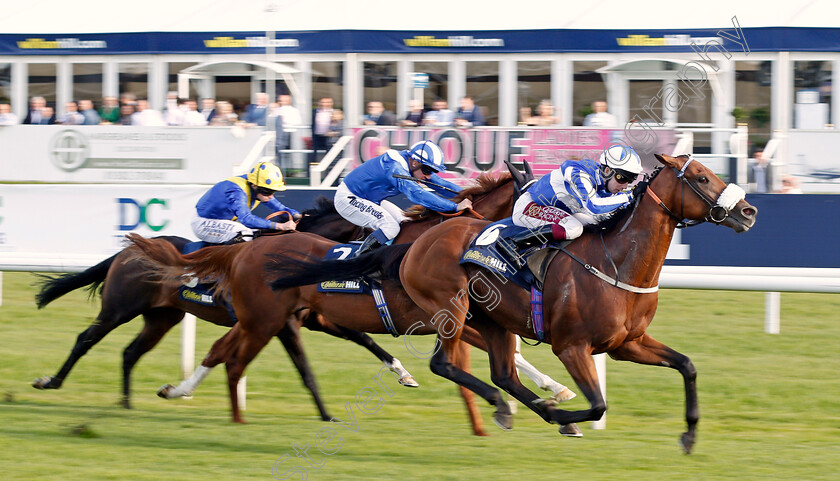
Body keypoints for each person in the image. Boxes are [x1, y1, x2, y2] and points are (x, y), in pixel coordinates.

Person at [335, 140, 472, 256]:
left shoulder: (414, 163)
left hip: (368, 199)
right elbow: (418, 194)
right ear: (414, 163)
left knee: (406, 223)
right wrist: (454, 207)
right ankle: (359, 264)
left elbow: (441, 185)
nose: (429, 176)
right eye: (427, 170)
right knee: (390, 228)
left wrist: (471, 195)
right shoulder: (395, 168)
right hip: (348, 198)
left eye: (432, 171)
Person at [509, 144, 642, 246]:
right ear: (607, 171)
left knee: (595, 225)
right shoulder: (579, 173)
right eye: (622, 179)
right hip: (530, 207)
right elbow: (594, 206)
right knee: (574, 228)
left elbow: (613, 210)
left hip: (555, 210)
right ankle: (515, 245)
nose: (625, 186)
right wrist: (630, 195)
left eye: (630, 181)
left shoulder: (605, 183)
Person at [192, 162, 299, 245]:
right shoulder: (236, 191)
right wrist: (279, 226)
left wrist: (297, 215)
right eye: (268, 192)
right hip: (204, 222)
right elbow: (246, 219)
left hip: (226, 221)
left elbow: (279, 207)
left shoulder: (257, 186)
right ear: (254, 186)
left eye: (273, 192)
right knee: (246, 233)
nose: (271, 196)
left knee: (259, 232)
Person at [310, 97, 334, 164]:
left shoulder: (334, 112)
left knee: (328, 154)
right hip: (317, 136)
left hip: (329, 137)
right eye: (323, 102)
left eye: (327, 102)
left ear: (331, 103)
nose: (325, 104)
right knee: (315, 155)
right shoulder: (315, 111)